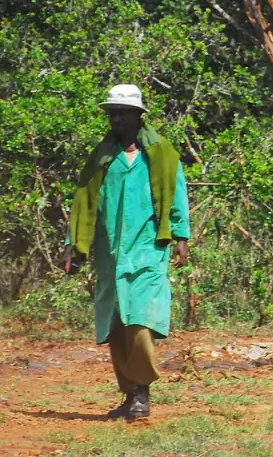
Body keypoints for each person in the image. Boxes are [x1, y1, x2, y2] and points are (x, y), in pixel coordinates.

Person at [63, 84, 190, 420]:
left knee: (141, 320)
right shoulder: (103, 158)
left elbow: (177, 197)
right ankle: (132, 394)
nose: (116, 118)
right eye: (112, 113)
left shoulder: (161, 155)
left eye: (122, 112)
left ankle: (143, 390)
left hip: (150, 247)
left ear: (138, 116)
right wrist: (74, 246)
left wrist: (181, 236)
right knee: (116, 323)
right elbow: (83, 204)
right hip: (110, 253)